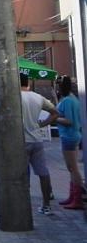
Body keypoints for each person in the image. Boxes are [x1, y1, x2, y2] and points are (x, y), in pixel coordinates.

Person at [19, 73, 59, 215]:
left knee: (22, 174)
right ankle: (46, 205)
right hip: (37, 140)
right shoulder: (38, 97)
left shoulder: (15, 98)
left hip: (21, 141)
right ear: (28, 83)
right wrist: (43, 124)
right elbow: (55, 113)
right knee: (43, 172)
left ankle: (23, 204)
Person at [55, 76, 84, 210]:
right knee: (72, 168)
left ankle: (77, 198)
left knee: (73, 168)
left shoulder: (67, 101)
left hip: (69, 136)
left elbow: (68, 120)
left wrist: (55, 119)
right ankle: (73, 196)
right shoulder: (72, 99)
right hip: (73, 135)